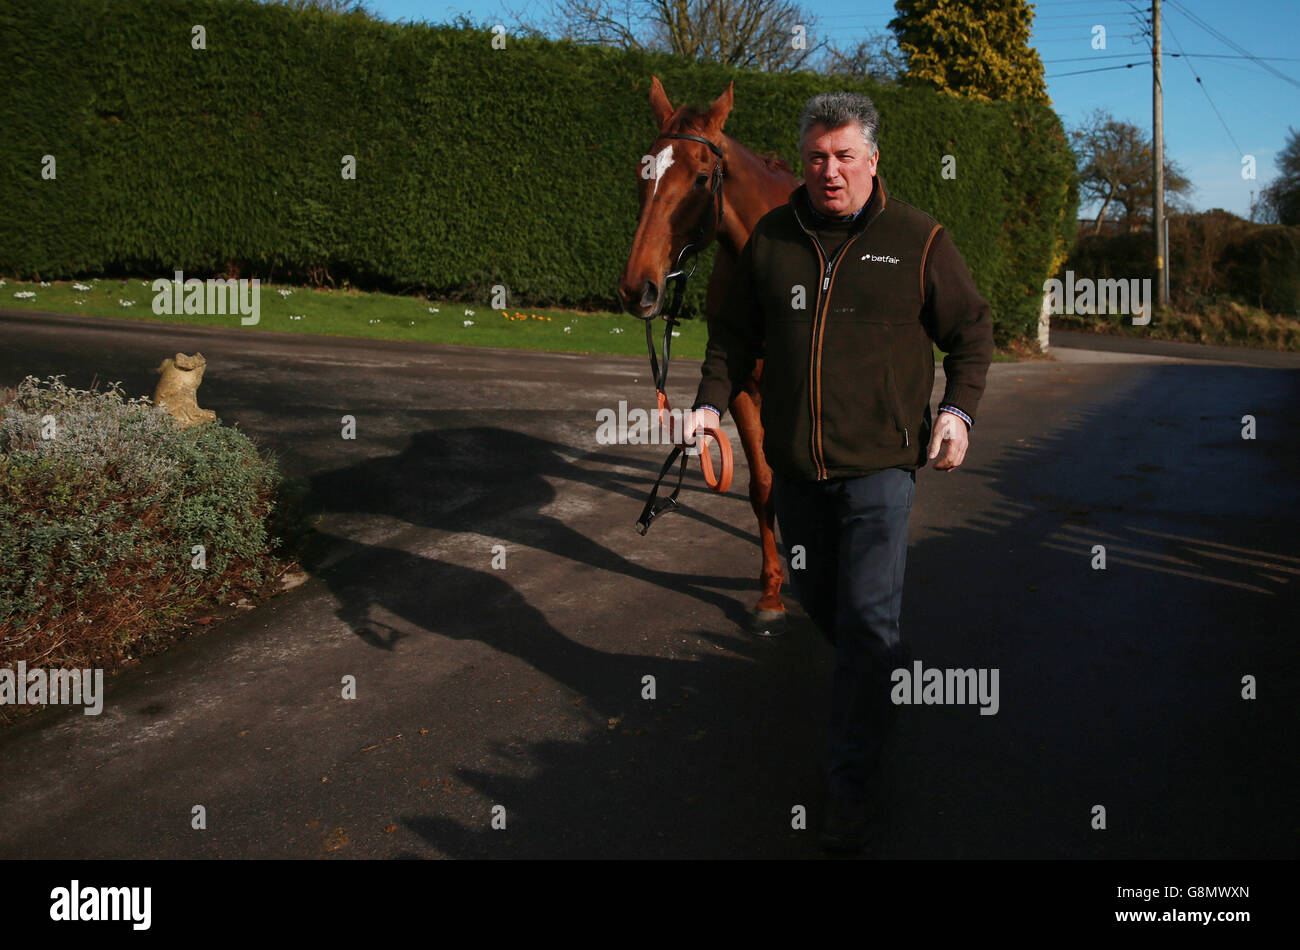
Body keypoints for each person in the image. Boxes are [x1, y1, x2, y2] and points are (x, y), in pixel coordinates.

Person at [682, 91, 993, 853]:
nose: (830, 171)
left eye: (845, 156)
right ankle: (874, 666)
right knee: (823, 601)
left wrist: (958, 413)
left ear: (872, 159)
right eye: (817, 156)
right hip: (795, 471)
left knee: (865, 625)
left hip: (880, 470)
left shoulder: (918, 240)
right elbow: (732, 335)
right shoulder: (773, 239)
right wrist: (707, 404)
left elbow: (972, 332)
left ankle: (851, 789)